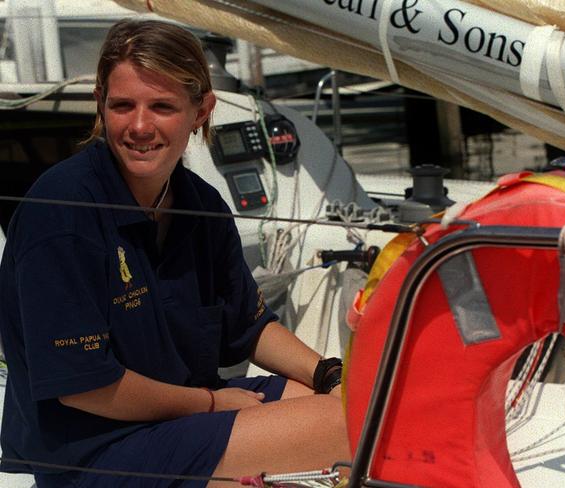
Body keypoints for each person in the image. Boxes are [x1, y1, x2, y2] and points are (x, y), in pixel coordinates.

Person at [0, 19, 349, 487]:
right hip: (94, 452)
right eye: (123, 105)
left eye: (162, 107)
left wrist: (330, 374)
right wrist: (209, 403)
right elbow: (86, 388)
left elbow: (246, 326)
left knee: (340, 401)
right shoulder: (62, 214)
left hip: (177, 415)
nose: (140, 126)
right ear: (100, 105)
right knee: (345, 426)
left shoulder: (200, 204)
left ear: (201, 110)